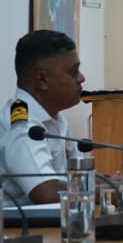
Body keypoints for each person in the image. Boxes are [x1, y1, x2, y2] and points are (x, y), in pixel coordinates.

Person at [1, 29, 85, 205]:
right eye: (73, 71)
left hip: (58, 219)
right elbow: (45, 192)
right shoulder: (23, 126)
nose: (81, 78)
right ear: (42, 80)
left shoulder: (55, 118)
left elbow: (77, 177)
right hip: (27, 222)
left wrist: (109, 181)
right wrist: (105, 190)